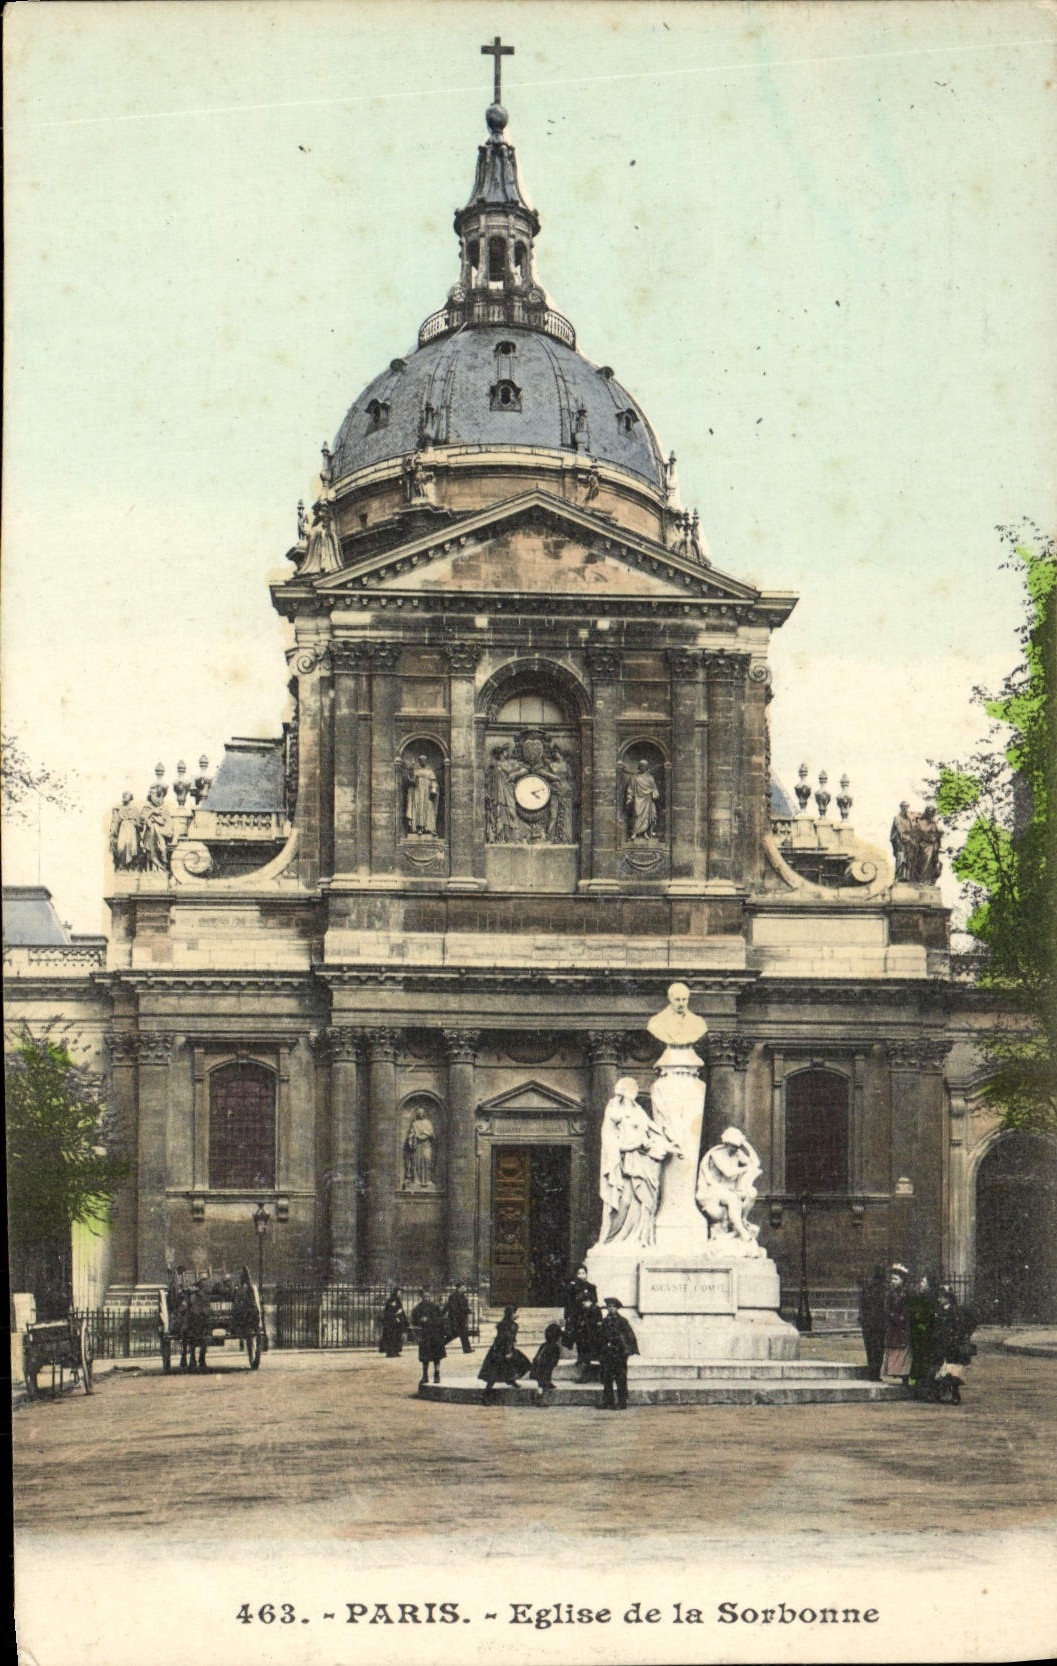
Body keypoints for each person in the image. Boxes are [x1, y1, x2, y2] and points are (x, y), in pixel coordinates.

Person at [598, 1078, 681, 1247]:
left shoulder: (639, 1111)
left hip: (644, 1161)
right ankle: (612, 1240)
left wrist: (670, 1146)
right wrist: (637, 1144)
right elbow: (612, 1144)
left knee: (644, 1202)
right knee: (625, 1201)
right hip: (626, 1163)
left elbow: (653, 1132)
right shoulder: (614, 1112)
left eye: (635, 1088)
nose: (634, 1091)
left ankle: (640, 1239)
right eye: (631, 1088)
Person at [695, 1128, 763, 1247]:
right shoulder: (717, 1154)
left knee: (752, 1193)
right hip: (713, 1189)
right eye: (733, 1146)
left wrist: (746, 1145)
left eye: (737, 1146)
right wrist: (746, 1168)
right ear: (726, 1144)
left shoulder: (737, 1153)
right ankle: (742, 1232)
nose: (735, 1149)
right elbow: (728, 1172)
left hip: (729, 1189)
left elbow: (756, 1163)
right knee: (732, 1199)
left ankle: (742, 1220)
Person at [929, 1283, 977, 1406]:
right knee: (940, 1370)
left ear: (948, 1298)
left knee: (954, 1371)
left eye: (942, 1297)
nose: (939, 1299)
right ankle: (940, 1393)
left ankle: (955, 1394)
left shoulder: (956, 1311)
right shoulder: (937, 1311)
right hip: (940, 1344)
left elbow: (969, 1324)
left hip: (953, 1345)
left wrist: (964, 1335)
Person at [478, 1307, 532, 1402]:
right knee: (494, 1373)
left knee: (513, 1366)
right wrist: (508, 1351)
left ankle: (510, 1380)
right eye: (514, 1313)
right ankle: (486, 1395)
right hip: (501, 1350)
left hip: (503, 1349)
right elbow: (506, 1339)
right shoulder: (507, 1325)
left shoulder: (510, 1325)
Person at [598, 1297, 639, 1410]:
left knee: (620, 1378)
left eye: (613, 1307)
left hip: (619, 1354)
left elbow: (629, 1336)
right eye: (609, 1307)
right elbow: (601, 1337)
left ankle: (622, 1402)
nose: (611, 1309)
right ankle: (608, 1401)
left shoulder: (622, 1321)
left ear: (617, 1308)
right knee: (607, 1378)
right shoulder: (605, 1321)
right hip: (608, 1353)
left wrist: (627, 1351)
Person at [881, 1264, 912, 1385]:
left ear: (902, 1280)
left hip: (904, 1325)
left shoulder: (907, 1293)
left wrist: (903, 1316)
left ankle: (905, 1375)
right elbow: (886, 1308)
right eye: (892, 1279)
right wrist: (892, 1316)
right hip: (893, 1325)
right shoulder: (889, 1294)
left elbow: (909, 1307)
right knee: (893, 1348)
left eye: (896, 1279)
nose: (893, 1281)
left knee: (904, 1350)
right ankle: (894, 1372)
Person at [410, 1289, 446, 1387]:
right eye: (425, 1297)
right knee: (425, 1358)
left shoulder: (435, 1307)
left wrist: (429, 1320)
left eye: (428, 1296)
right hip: (425, 1336)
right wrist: (419, 1322)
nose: (427, 1298)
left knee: (436, 1357)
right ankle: (425, 1375)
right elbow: (413, 1321)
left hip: (436, 1335)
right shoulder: (418, 1308)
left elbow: (441, 1320)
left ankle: (437, 1375)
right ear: (421, 1297)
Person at [859, 1265, 887, 1381]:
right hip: (880, 1323)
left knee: (870, 1348)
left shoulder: (867, 1288)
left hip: (868, 1323)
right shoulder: (885, 1289)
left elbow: (862, 1305)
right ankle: (875, 1373)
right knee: (879, 1349)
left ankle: (872, 1371)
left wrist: (862, 1319)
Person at [404, 753, 439, 836]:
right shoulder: (416, 771)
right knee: (419, 807)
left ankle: (430, 828)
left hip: (427, 791)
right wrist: (411, 768)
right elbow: (411, 780)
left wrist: (433, 789)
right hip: (418, 791)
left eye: (424, 760)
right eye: (421, 761)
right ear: (419, 762)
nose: (423, 762)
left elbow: (433, 781)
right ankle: (419, 828)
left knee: (428, 807)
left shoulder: (430, 771)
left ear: (426, 761)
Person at [529, 1323, 564, 1404]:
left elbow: (537, 1357)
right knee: (542, 1385)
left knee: (542, 1383)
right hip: (544, 1368)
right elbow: (552, 1361)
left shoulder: (544, 1345)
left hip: (538, 1367)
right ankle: (540, 1400)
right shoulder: (555, 1348)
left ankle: (545, 1387)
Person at [625, 757, 660, 839]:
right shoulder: (634, 777)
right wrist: (629, 798)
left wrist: (654, 794)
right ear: (639, 767)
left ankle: (645, 833)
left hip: (647, 799)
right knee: (637, 814)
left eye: (644, 766)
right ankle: (635, 832)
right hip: (638, 799)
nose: (642, 767)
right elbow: (630, 788)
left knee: (647, 817)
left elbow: (654, 788)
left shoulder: (650, 778)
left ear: (647, 767)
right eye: (641, 766)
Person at [403, 1111, 436, 1188]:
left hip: (426, 1145)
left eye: (422, 1112)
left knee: (427, 1160)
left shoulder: (428, 1123)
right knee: (417, 1162)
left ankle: (427, 1180)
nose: (421, 1114)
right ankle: (416, 1180)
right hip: (418, 1146)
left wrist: (424, 1134)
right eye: (419, 1113)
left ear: (424, 1114)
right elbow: (412, 1134)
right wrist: (414, 1136)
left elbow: (431, 1133)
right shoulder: (415, 1124)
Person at [109, 792, 140, 869]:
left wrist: (134, 823)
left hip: (131, 829)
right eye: (124, 796)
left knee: (129, 844)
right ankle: (122, 864)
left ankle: (129, 865)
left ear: (130, 798)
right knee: (121, 845)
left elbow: (139, 822)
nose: (125, 798)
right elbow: (116, 820)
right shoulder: (119, 808)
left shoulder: (135, 809)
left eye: (127, 796)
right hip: (123, 828)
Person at [443, 1281, 473, 1353]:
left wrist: (468, 1310)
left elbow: (464, 1306)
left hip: (461, 1318)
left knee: (460, 1334)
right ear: (458, 1288)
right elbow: (453, 1307)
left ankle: (467, 1349)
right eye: (463, 1287)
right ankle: (440, 1345)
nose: (464, 1288)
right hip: (456, 1318)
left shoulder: (462, 1295)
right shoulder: (454, 1296)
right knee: (457, 1334)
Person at [378, 1288, 409, 1358]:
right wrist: (395, 1317)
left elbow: (400, 1311)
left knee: (397, 1336)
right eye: (399, 1293)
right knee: (391, 1337)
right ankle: (390, 1352)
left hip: (397, 1322)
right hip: (391, 1322)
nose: (400, 1295)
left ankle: (396, 1351)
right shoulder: (391, 1300)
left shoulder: (398, 1301)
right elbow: (389, 1311)